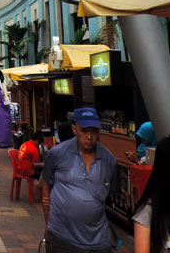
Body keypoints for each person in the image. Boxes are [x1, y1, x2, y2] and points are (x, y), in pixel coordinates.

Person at [41, 107, 118, 253]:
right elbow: (45, 185)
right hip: (61, 238)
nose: (89, 137)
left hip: (98, 242)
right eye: (84, 131)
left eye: (94, 131)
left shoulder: (109, 160)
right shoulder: (57, 154)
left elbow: (109, 194)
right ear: (75, 129)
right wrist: (48, 223)